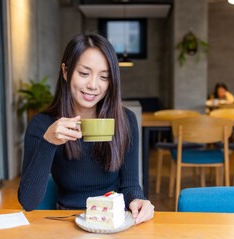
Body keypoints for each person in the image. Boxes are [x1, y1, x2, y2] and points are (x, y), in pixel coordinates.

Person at [18, 33, 154, 225]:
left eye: (104, 77)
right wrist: (48, 142)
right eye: (84, 73)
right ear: (65, 72)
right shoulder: (42, 125)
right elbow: (28, 202)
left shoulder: (125, 121)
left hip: (113, 222)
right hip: (66, 222)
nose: (93, 85)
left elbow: (130, 185)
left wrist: (139, 200)